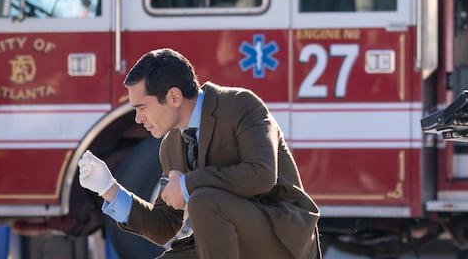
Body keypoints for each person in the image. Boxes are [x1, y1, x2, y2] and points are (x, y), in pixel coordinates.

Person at [78, 48, 321, 259]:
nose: (138, 118)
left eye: (142, 108)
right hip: (225, 240)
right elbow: (165, 227)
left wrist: (186, 185)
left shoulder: (241, 104)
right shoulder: (170, 145)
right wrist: (109, 189)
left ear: (174, 97)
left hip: (281, 239)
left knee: (204, 200)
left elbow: (261, 175)